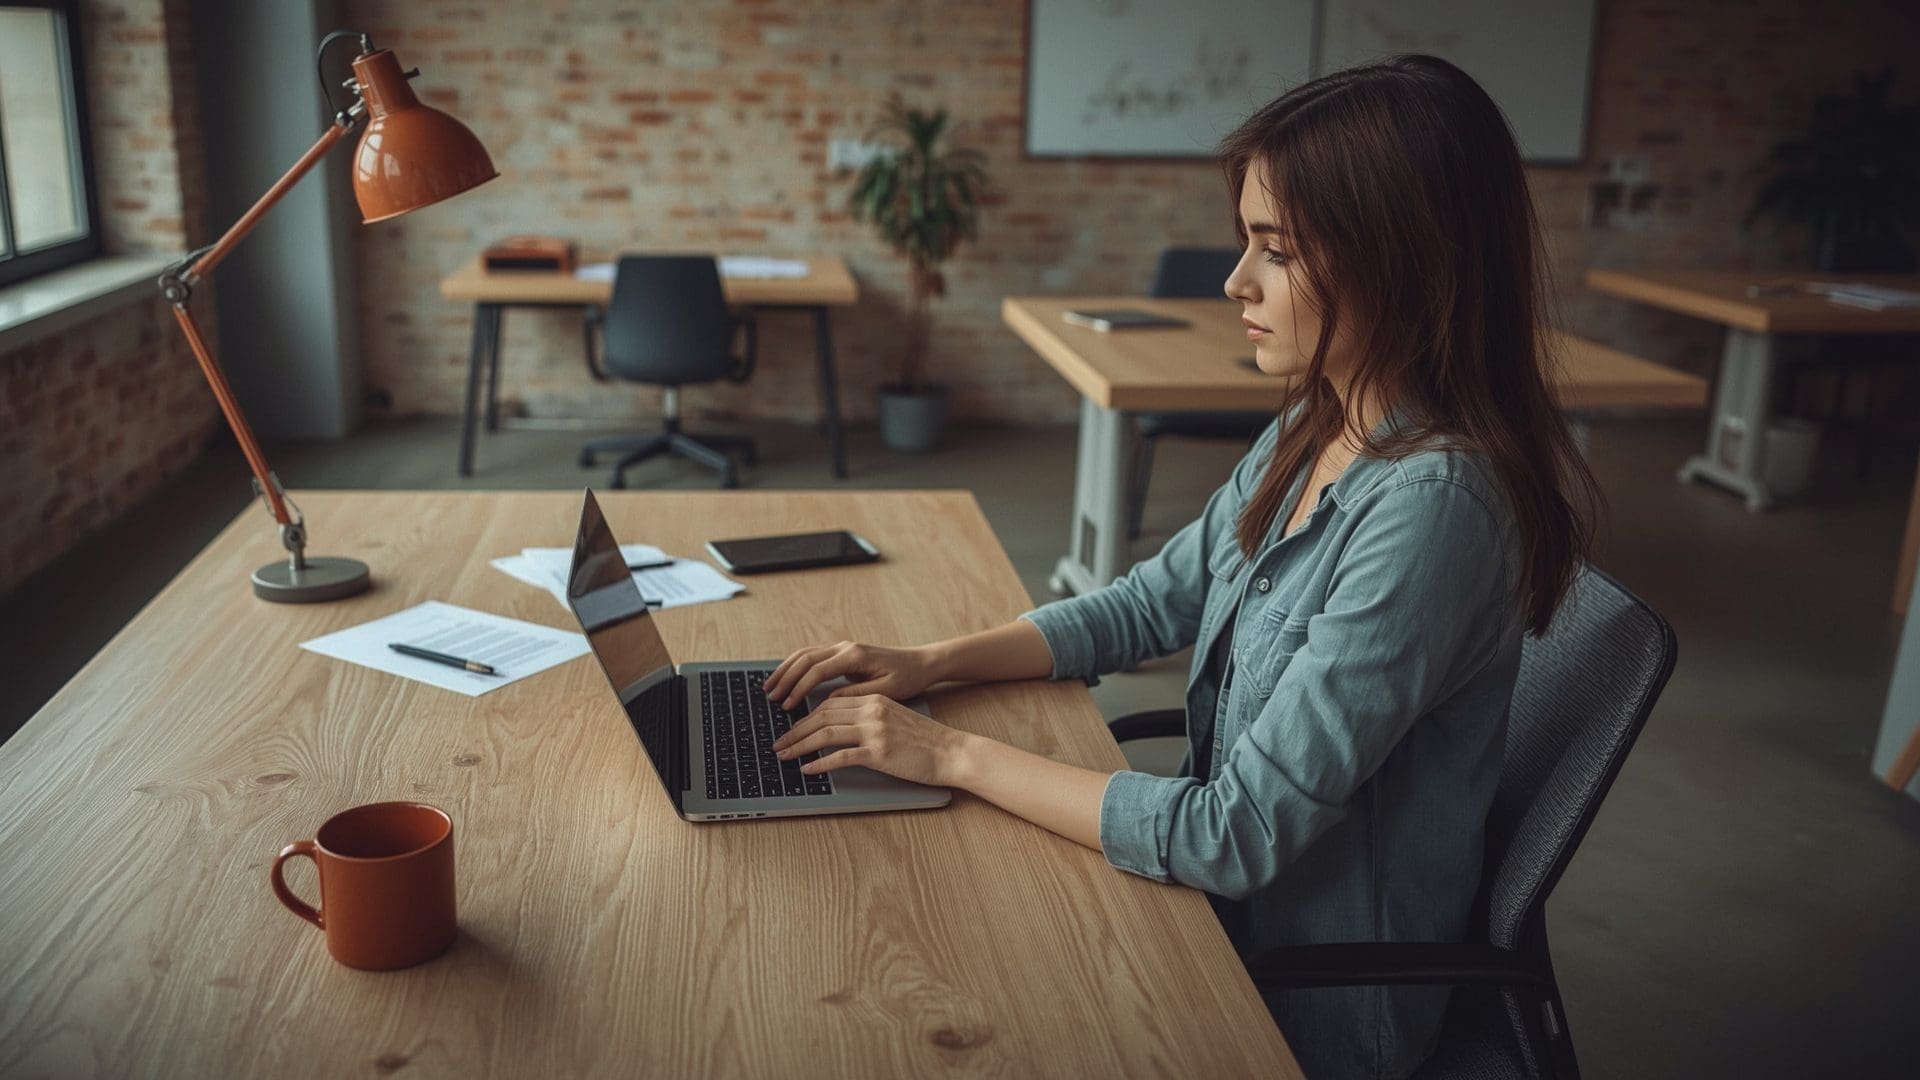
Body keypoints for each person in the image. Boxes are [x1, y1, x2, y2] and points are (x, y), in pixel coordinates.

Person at [765, 53, 1598, 1079]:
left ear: (1403, 261)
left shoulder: (1432, 514)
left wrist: (948, 755)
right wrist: (932, 666)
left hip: (1309, 999)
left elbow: (1232, 836)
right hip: (1227, 923)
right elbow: (1151, 603)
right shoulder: (1321, 419)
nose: (1234, 282)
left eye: (1275, 251)